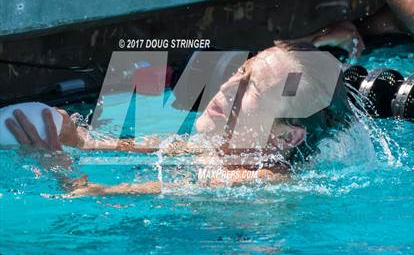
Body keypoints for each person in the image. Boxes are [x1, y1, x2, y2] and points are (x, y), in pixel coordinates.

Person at [2, 34, 353, 197]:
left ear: (286, 137)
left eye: (254, 90)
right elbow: (123, 146)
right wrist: (72, 135)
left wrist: (57, 166)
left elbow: (97, 194)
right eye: (241, 72)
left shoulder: (256, 180)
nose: (229, 87)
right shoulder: (219, 149)